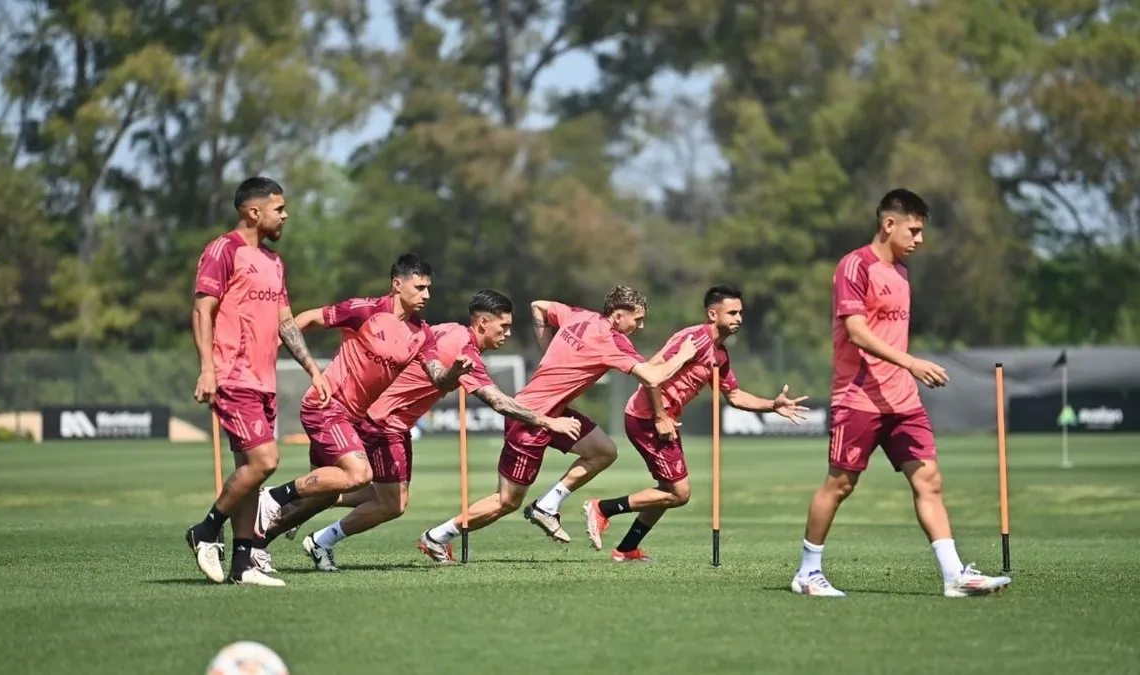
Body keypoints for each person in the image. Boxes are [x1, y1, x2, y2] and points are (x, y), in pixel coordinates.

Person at [791, 188, 1011, 598]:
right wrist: (911, 362)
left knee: (930, 482)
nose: (920, 239)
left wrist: (906, 372)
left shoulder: (902, 273)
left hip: (903, 401)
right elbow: (856, 332)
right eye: (914, 230)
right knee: (839, 485)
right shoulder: (855, 266)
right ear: (889, 224)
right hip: (858, 397)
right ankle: (807, 572)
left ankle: (954, 576)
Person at [273, 289, 582, 570]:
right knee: (392, 504)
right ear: (483, 323)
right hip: (384, 423)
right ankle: (318, 535)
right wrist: (548, 421)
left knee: (380, 495)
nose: (508, 333)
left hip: (390, 422)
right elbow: (499, 402)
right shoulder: (464, 351)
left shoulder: (450, 329)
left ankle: (309, 502)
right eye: (504, 327)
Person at [417, 286, 705, 562]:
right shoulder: (612, 341)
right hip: (529, 419)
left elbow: (539, 307)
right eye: (637, 319)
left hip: (553, 413)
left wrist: (548, 350)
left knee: (603, 451)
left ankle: (547, 505)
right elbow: (653, 378)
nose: (640, 326)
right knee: (507, 501)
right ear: (618, 315)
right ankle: (437, 536)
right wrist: (683, 356)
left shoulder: (579, 316)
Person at [246, 254, 472, 572]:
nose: (427, 295)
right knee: (360, 475)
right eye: (420, 287)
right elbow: (306, 319)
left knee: (323, 496)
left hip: (350, 419)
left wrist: (454, 374)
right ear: (397, 284)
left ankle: (255, 547)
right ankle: (271, 497)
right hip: (326, 406)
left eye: (428, 289)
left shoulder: (422, 333)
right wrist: (268, 352)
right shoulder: (364, 310)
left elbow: (437, 377)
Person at [583, 284, 810, 560]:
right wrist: (660, 417)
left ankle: (627, 549)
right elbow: (651, 373)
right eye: (732, 313)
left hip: (665, 420)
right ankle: (602, 509)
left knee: (668, 490)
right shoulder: (693, 339)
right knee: (679, 493)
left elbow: (735, 396)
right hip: (647, 418)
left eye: (740, 313)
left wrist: (772, 405)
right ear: (713, 314)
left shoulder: (720, 354)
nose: (739, 318)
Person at [184, 177, 329, 587]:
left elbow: (286, 323)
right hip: (233, 376)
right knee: (266, 461)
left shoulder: (274, 262)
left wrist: (312, 369)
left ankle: (242, 564)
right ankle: (206, 530)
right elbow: (202, 311)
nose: (285, 215)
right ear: (253, 212)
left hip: (264, 382)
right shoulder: (223, 250)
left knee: (251, 472)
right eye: (278, 209)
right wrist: (208, 368)